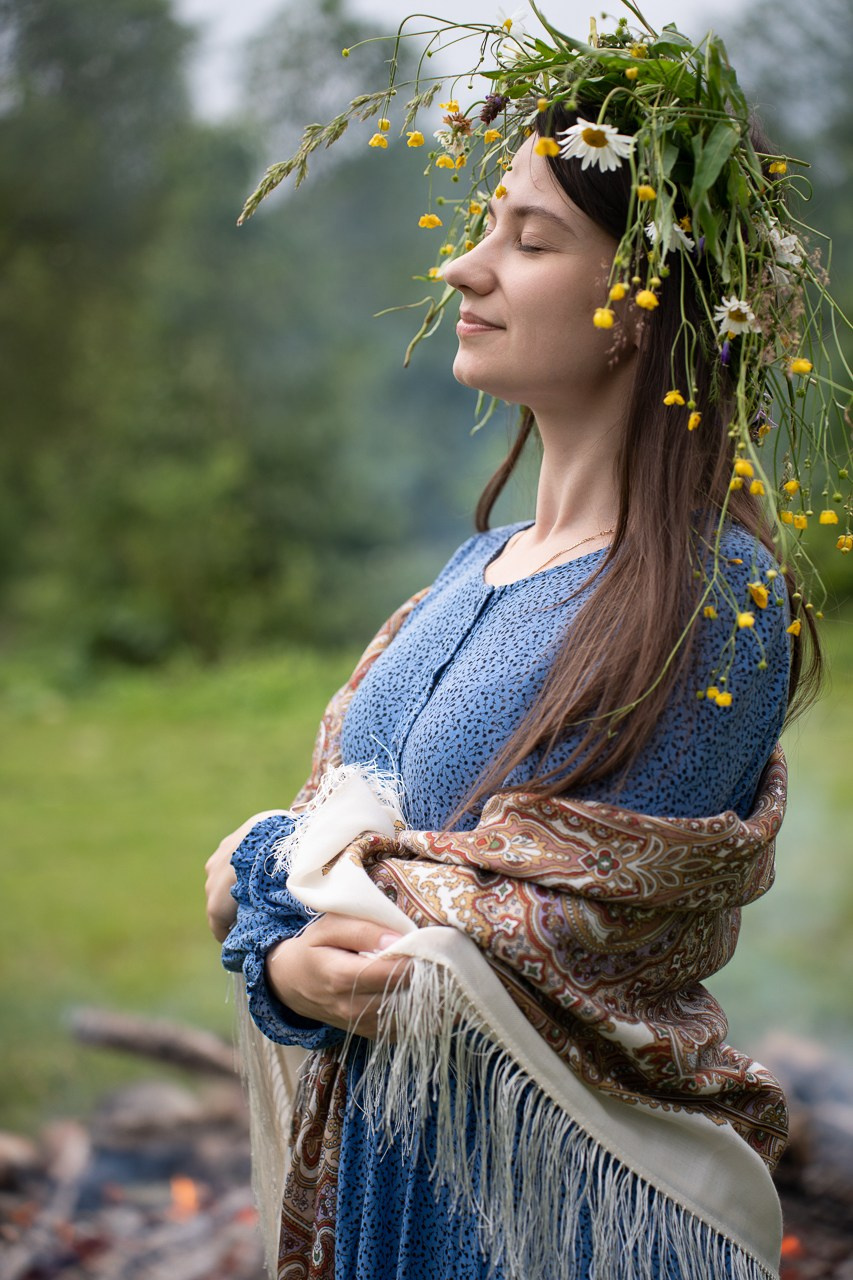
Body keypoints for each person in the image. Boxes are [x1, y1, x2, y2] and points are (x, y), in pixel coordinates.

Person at [204, 7, 850, 1279]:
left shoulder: (716, 599)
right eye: (485, 223)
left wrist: (253, 864)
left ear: (646, 300)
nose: (464, 267)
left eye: (531, 237)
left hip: (566, 1226)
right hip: (394, 1191)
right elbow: (363, 913)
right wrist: (281, 949)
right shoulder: (466, 573)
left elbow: (541, 935)